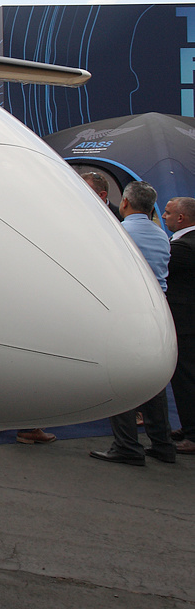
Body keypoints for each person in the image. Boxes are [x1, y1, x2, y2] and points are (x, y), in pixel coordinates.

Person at [91, 181, 175, 465]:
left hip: (125, 314)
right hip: (157, 312)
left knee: (119, 378)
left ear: (124, 202)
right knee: (152, 383)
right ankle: (162, 444)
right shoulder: (161, 235)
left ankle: (127, 446)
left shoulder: (118, 234)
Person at [161, 196, 195, 454]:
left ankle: (192, 435)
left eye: (168, 213)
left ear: (181, 218)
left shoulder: (182, 248)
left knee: (185, 380)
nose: (164, 216)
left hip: (185, 324)